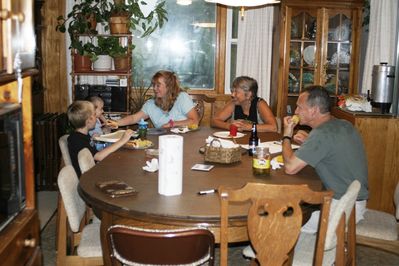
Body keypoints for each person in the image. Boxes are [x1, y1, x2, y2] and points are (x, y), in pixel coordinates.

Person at [282, 85, 369, 233]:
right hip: (355, 203)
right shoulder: (343, 124)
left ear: (314, 110)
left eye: (299, 107)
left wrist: (286, 135)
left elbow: (290, 167)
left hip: (343, 210)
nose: (296, 111)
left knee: (281, 223)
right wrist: (310, 141)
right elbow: (331, 149)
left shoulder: (322, 133)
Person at [106, 70, 199, 129]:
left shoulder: (182, 97)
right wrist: (117, 122)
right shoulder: (150, 104)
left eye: (158, 85)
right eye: (154, 85)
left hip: (185, 141)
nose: (154, 88)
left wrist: (172, 124)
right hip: (161, 142)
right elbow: (134, 118)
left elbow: (195, 121)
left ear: (169, 86)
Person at [67, 100, 134, 176]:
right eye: (95, 115)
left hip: (93, 172)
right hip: (88, 179)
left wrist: (93, 139)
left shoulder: (82, 135)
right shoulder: (76, 139)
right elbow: (98, 157)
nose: (97, 118)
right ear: (89, 121)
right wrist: (122, 140)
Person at [211, 76, 277, 132]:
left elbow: (273, 127)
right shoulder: (233, 103)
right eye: (232, 91)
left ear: (248, 94)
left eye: (236, 92)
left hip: (257, 142)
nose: (232, 95)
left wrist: (248, 127)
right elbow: (214, 121)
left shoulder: (260, 104)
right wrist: (229, 126)